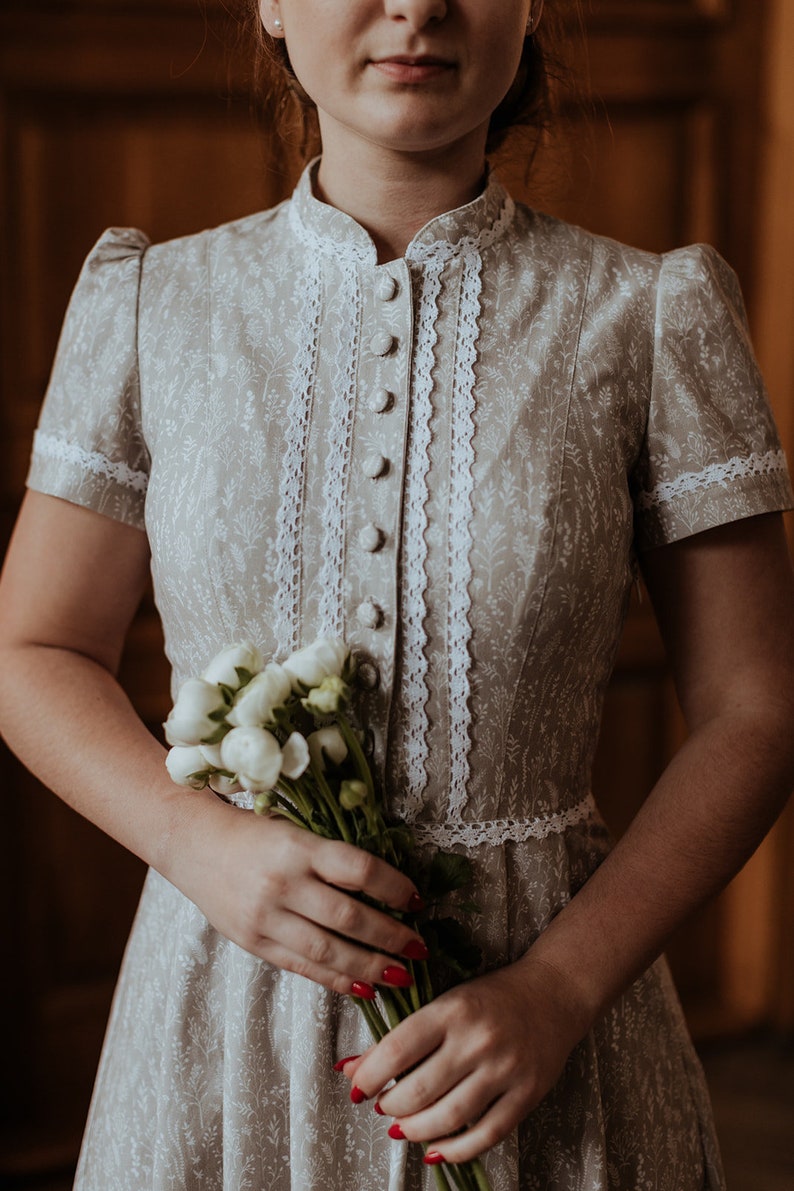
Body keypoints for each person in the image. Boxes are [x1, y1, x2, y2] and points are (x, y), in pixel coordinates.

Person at [0, 0, 793, 1187]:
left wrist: (556, 991)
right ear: (269, 5)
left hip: (542, 1029)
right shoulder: (149, 306)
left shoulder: (647, 316)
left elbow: (754, 705)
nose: (413, 7)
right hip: (219, 1012)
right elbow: (34, 648)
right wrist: (196, 846)